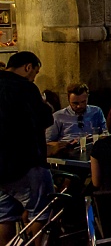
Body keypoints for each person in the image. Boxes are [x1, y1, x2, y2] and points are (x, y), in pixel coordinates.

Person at [0, 51, 54, 245]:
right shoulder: (25, 88)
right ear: (28, 67)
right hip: (25, 162)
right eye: (35, 72)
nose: (34, 77)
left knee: (4, 216)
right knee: (39, 212)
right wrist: (45, 105)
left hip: (1, 167)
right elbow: (45, 118)